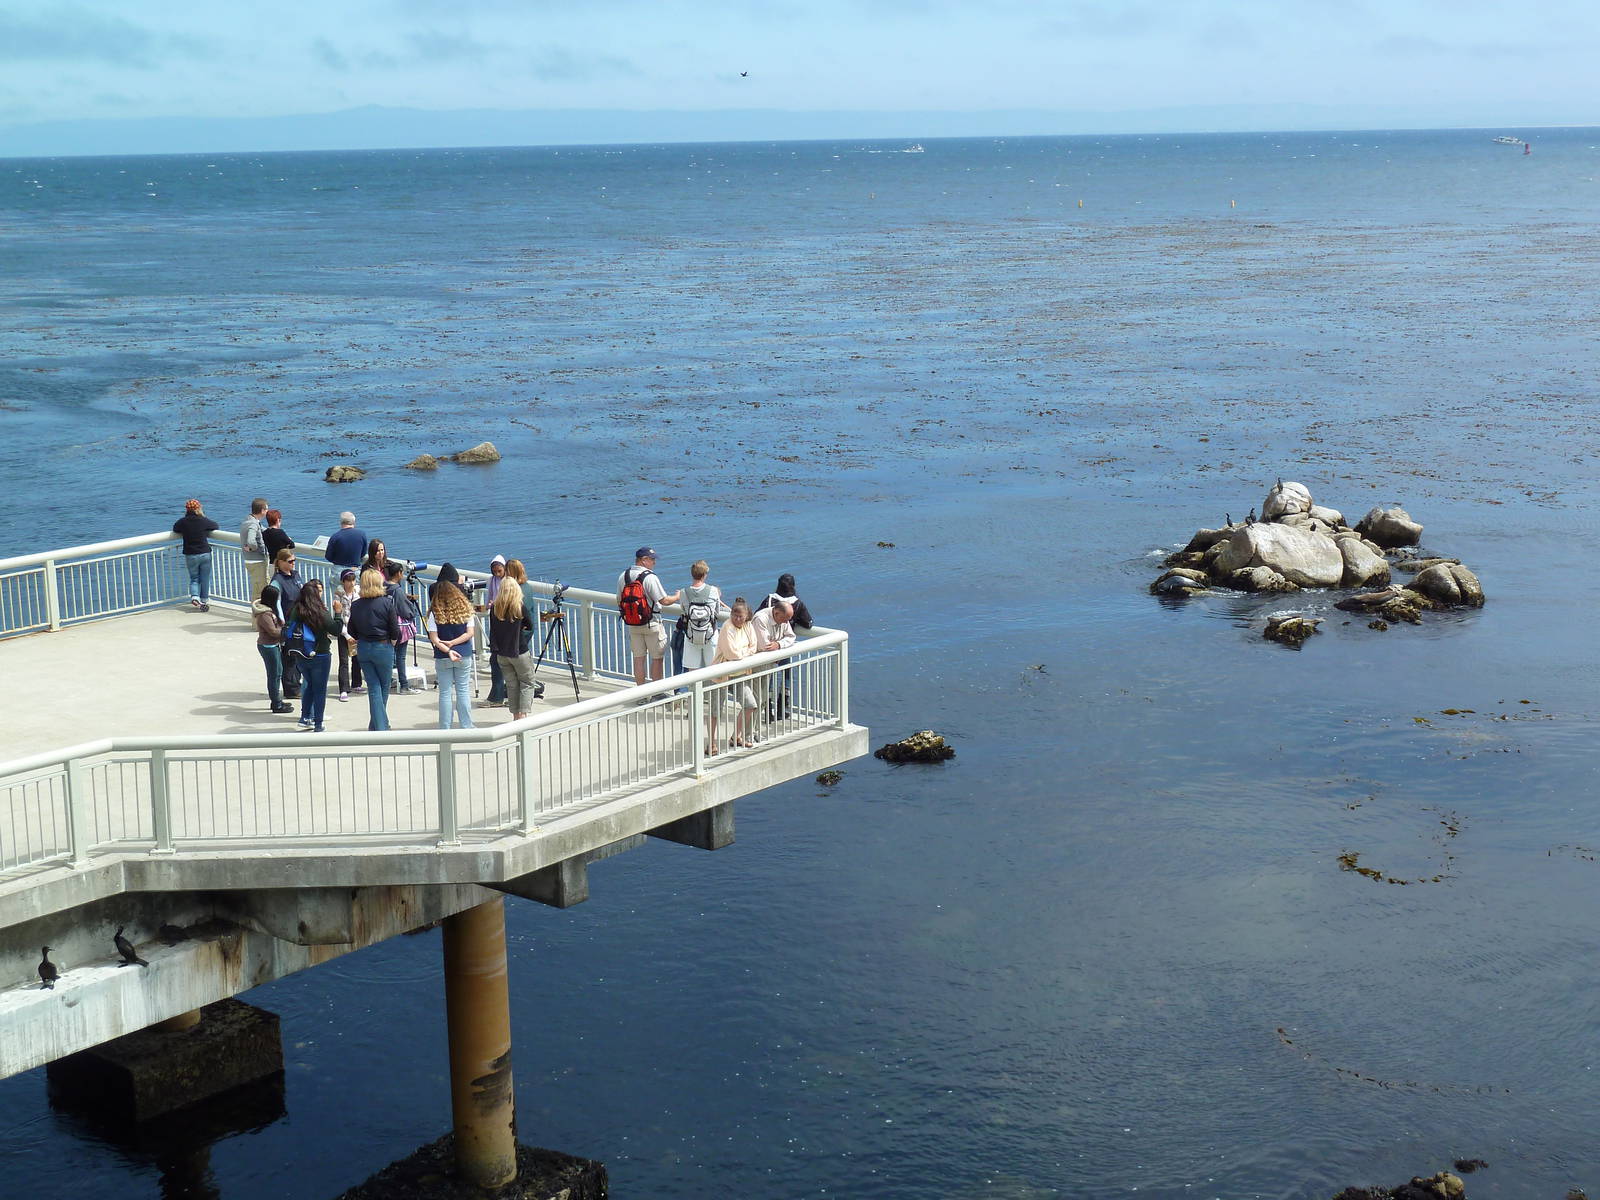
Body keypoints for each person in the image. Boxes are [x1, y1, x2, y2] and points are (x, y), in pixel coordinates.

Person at [616, 547, 678, 688]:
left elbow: (619, 600)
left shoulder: (623, 576)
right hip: (652, 624)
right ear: (643, 560)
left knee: (638, 659)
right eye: (652, 559)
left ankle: (641, 693)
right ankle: (656, 693)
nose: (654, 562)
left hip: (633, 624)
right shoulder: (650, 577)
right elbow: (664, 600)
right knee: (657, 659)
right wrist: (677, 596)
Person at [285, 579, 341, 732]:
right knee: (320, 690)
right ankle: (318, 723)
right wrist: (338, 613)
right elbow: (336, 630)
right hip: (320, 654)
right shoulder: (320, 612)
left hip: (301, 654)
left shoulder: (296, 610)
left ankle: (305, 718)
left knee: (309, 685)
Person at [348, 567, 400, 731]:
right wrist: (392, 642)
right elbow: (395, 630)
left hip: (364, 648)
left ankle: (376, 725)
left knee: (373, 687)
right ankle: (381, 728)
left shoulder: (356, 605)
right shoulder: (387, 603)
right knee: (383, 687)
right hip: (383, 647)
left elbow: (351, 630)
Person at [757, 576, 812, 718]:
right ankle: (783, 707)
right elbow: (808, 623)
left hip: (770, 645)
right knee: (786, 674)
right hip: (784, 646)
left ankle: (768, 709)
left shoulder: (770, 600)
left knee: (768, 677)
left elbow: (756, 614)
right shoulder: (797, 603)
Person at [427, 576, 477, 730]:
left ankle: (445, 727)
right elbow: (470, 633)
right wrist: (454, 643)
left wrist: (448, 649)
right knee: (463, 691)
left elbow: (434, 639)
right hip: (463, 654)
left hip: (443, 656)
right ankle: (466, 725)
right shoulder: (466, 609)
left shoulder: (434, 613)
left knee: (445, 693)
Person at [711, 598, 759, 751]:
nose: (737, 619)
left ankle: (735, 737)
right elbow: (731, 654)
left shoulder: (748, 625)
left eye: (741, 617)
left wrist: (743, 653)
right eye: (735, 616)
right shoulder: (727, 627)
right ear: (731, 614)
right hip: (722, 675)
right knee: (715, 711)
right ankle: (711, 743)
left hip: (740, 674)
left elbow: (754, 646)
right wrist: (745, 652)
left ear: (746, 617)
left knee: (750, 705)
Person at [488, 575, 538, 719]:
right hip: (519, 651)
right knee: (527, 683)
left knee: (512, 684)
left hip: (502, 653)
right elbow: (530, 624)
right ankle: (523, 715)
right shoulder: (519, 607)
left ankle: (515, 715)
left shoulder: (495, 608)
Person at [750, 599, 796, 734]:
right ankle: (750, 732)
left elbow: (791, 637)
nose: (786, 622)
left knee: (763, 699)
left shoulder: (783, 619)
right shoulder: (761, 619)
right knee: (756, 699)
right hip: (757, 663)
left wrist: (779, 644)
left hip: (770, 664)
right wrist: (776, 647)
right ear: (776, 613)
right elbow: (765, 646)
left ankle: (754, 730)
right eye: (785, 619)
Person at [676, 560, 727, 676]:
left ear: (692, 574)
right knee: (714, 669)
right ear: (704, 575)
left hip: (691, 635)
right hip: (710, 633)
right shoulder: (713, 590)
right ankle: (713, 687)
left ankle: (694, 688)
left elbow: (683, 610)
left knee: (692, 671)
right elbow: (717, 611)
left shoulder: (683, 592)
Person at [270, 547, 306, 699]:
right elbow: (276, 603)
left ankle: (297, 683)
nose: (293, 563)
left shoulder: (296, 575)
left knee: (299, 654)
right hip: (288, 624)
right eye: (290, 561)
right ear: (281, 562)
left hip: (300, 621)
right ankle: (291, 689)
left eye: (294, 561)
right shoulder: (277, 581)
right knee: (289, 656)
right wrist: (282, 623)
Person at [172, 498, 219, 611]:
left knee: (194, 578)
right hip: (205, 553)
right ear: (199, 508)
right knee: (205, 578)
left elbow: (175, 528)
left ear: (187, 510)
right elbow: (215, 526)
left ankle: (195, 597)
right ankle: (204, 600)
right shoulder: (203, 520)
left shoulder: (183, 522)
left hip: (191, 554)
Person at [252, 583, 291, 714]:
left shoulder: (269, 611)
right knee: (274, 675)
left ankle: (277, 700)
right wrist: (286, 632)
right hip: (268, 647)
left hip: (273, 645)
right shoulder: (264, 614)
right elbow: (273, 632)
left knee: (278, 672)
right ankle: (276, 704)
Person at [384, 560, 421, 694]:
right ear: (399, 573)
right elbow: (406, 611)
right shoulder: (397, 590)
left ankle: (388, 682)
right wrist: (413, 610)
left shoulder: (384, 586)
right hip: (399, 628)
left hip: (386, 625)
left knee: (390, 655)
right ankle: (404, 685)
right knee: (401, 657)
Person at [332, 568, 362, 701]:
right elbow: (338, 615)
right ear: (343, 581)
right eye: (348, 581)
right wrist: (346, 635)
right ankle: (343, 689)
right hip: (343, 629)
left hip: (357, 628)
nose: (351, 583)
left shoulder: (358, 592)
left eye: (353, 580)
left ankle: (356, 683)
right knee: (344, 660)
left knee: (357, 657)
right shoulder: (338, 594)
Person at [485, 555, 510, 705]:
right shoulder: (491, 580)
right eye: (494, 571)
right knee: (495, 656)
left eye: (499, 571)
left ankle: (500, 695)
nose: (497, 574)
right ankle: (499, 694)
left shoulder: (509, 581)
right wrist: (489, 604)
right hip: (494, 616)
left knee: (500, 659)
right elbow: (490, 596)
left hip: (505, 618)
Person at [240, 497, 269, 601]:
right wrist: (253, 548)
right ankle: (257, 611)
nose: (267, 512)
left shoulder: (249, 521)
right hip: (257, 561)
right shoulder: (253, 524)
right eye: (266, 509)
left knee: (259, 588)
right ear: (262, 511)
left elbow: (264, 531)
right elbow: (251, 541)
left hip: (250, 560)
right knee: (261, 591)